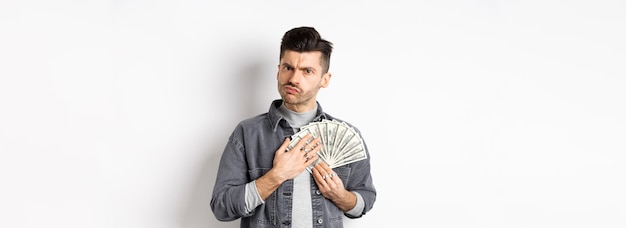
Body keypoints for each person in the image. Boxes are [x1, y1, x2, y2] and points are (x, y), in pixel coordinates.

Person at [210, 26, 376, 228]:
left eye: (307, 71)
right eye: (288, 68)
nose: (294, 79)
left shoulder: (347, 135)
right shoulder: (247, 133)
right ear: (278, 70)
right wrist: (276, 175)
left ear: (325, 79)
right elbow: (221, 207)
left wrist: (341, 197)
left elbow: (366, 198)